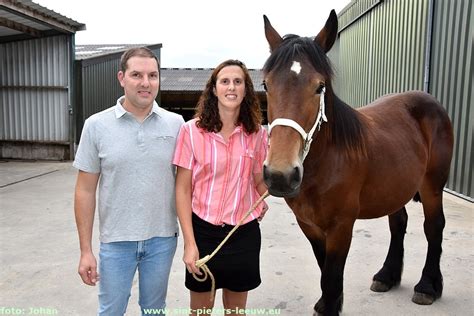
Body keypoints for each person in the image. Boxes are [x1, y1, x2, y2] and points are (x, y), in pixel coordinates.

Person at [73, 47, 184, 315]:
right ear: (121, 78)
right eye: (137, 75)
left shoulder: (177, 124)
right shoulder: (96, 125)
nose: (146, 83)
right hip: (116, 242)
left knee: (155, 309)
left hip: (162, 239)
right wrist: (86, 250)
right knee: (111, 310)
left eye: (152, 75)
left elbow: (189, 185)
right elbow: (85, 191)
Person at [173, 59, 268, 316]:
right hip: (203, 234)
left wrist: (274, 187)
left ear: (246, 89)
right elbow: (182, 190)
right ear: (214, 89)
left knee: (236, 313)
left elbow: (258, 180)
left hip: (243, 233)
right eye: (224, 81)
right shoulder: (191, 131)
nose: (231, 87)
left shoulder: (258, 134)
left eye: (238, 82)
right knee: (200, 313)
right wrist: (189, 244)